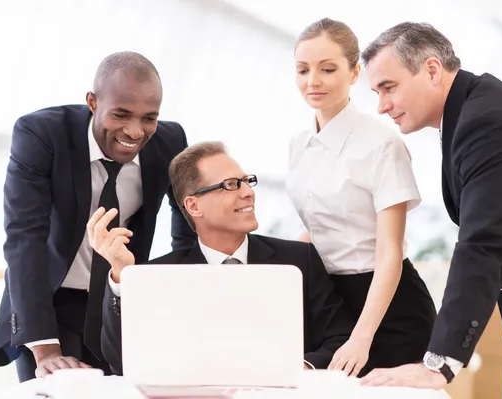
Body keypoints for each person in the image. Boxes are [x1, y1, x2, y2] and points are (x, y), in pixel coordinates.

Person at [0, 51, 197, 382]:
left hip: (119, 303)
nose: (135, 131)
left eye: (149, 118)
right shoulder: (42, 134)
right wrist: (45, 349)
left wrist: (180, 303)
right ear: (93, 102)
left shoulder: (169, 141)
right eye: (121, 114)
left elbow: (188, 224)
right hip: (51, 304)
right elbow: (24, 238)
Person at [359, 22, 502, 394]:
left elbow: (484, 242)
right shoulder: (475, 109)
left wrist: (439, 364)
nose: (382, 105)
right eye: (376, 92)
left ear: (432, 70)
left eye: (389, 87)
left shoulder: (488, 120)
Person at [86, 141, 356, 376]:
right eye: (230, 185)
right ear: (193, 206)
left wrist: (302, 369)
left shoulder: (299, 259)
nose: (248, 191)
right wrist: (123, 272)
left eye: (246, 181)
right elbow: (123, 363)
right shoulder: (162, 275)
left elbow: (341, 339)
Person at [286, 18, 436, 377]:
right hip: (331, 300)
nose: (313, 81)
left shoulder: (382, 144)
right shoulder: (298, 145)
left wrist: (361, 336)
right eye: (303, 69)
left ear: (355, 73)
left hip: (389, 307)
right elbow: (316, 232)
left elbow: (389, 254)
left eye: (328, 69)